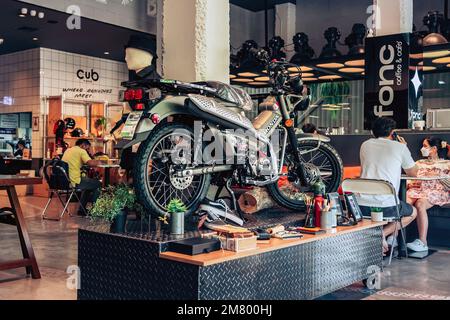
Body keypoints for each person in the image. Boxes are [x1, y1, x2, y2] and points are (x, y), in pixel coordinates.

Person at [357, 118, 419, 254]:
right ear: (393, 132)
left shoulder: (365, 145)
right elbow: (413, 172)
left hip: (361, 206)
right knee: (413, 212)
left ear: (373, 132)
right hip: (387, 207)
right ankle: (382, 235)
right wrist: (405, 147)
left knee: (381, 210)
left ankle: (380, 238)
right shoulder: (400, 147)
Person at [406, 137, 450, 252]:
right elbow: (411, 177)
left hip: (437, 191)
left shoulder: (446, 164)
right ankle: (394, 237)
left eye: (425, 146)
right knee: (404, 202)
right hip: (418, 189)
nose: (422, 149)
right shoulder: (419, 163)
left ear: (434, 149)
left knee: (420, 204)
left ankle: (422, 241)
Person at [62, 139, 105, 216]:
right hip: (74, 180)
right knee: (98, 184)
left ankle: (82, 210)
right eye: (87, 148)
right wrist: (101, 161)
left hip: (66, 180)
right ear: (83, 145)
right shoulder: (81, 151)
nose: (88, 151)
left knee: (88, 184)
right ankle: (96, 210)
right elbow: (90, 163)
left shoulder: (68, 150)